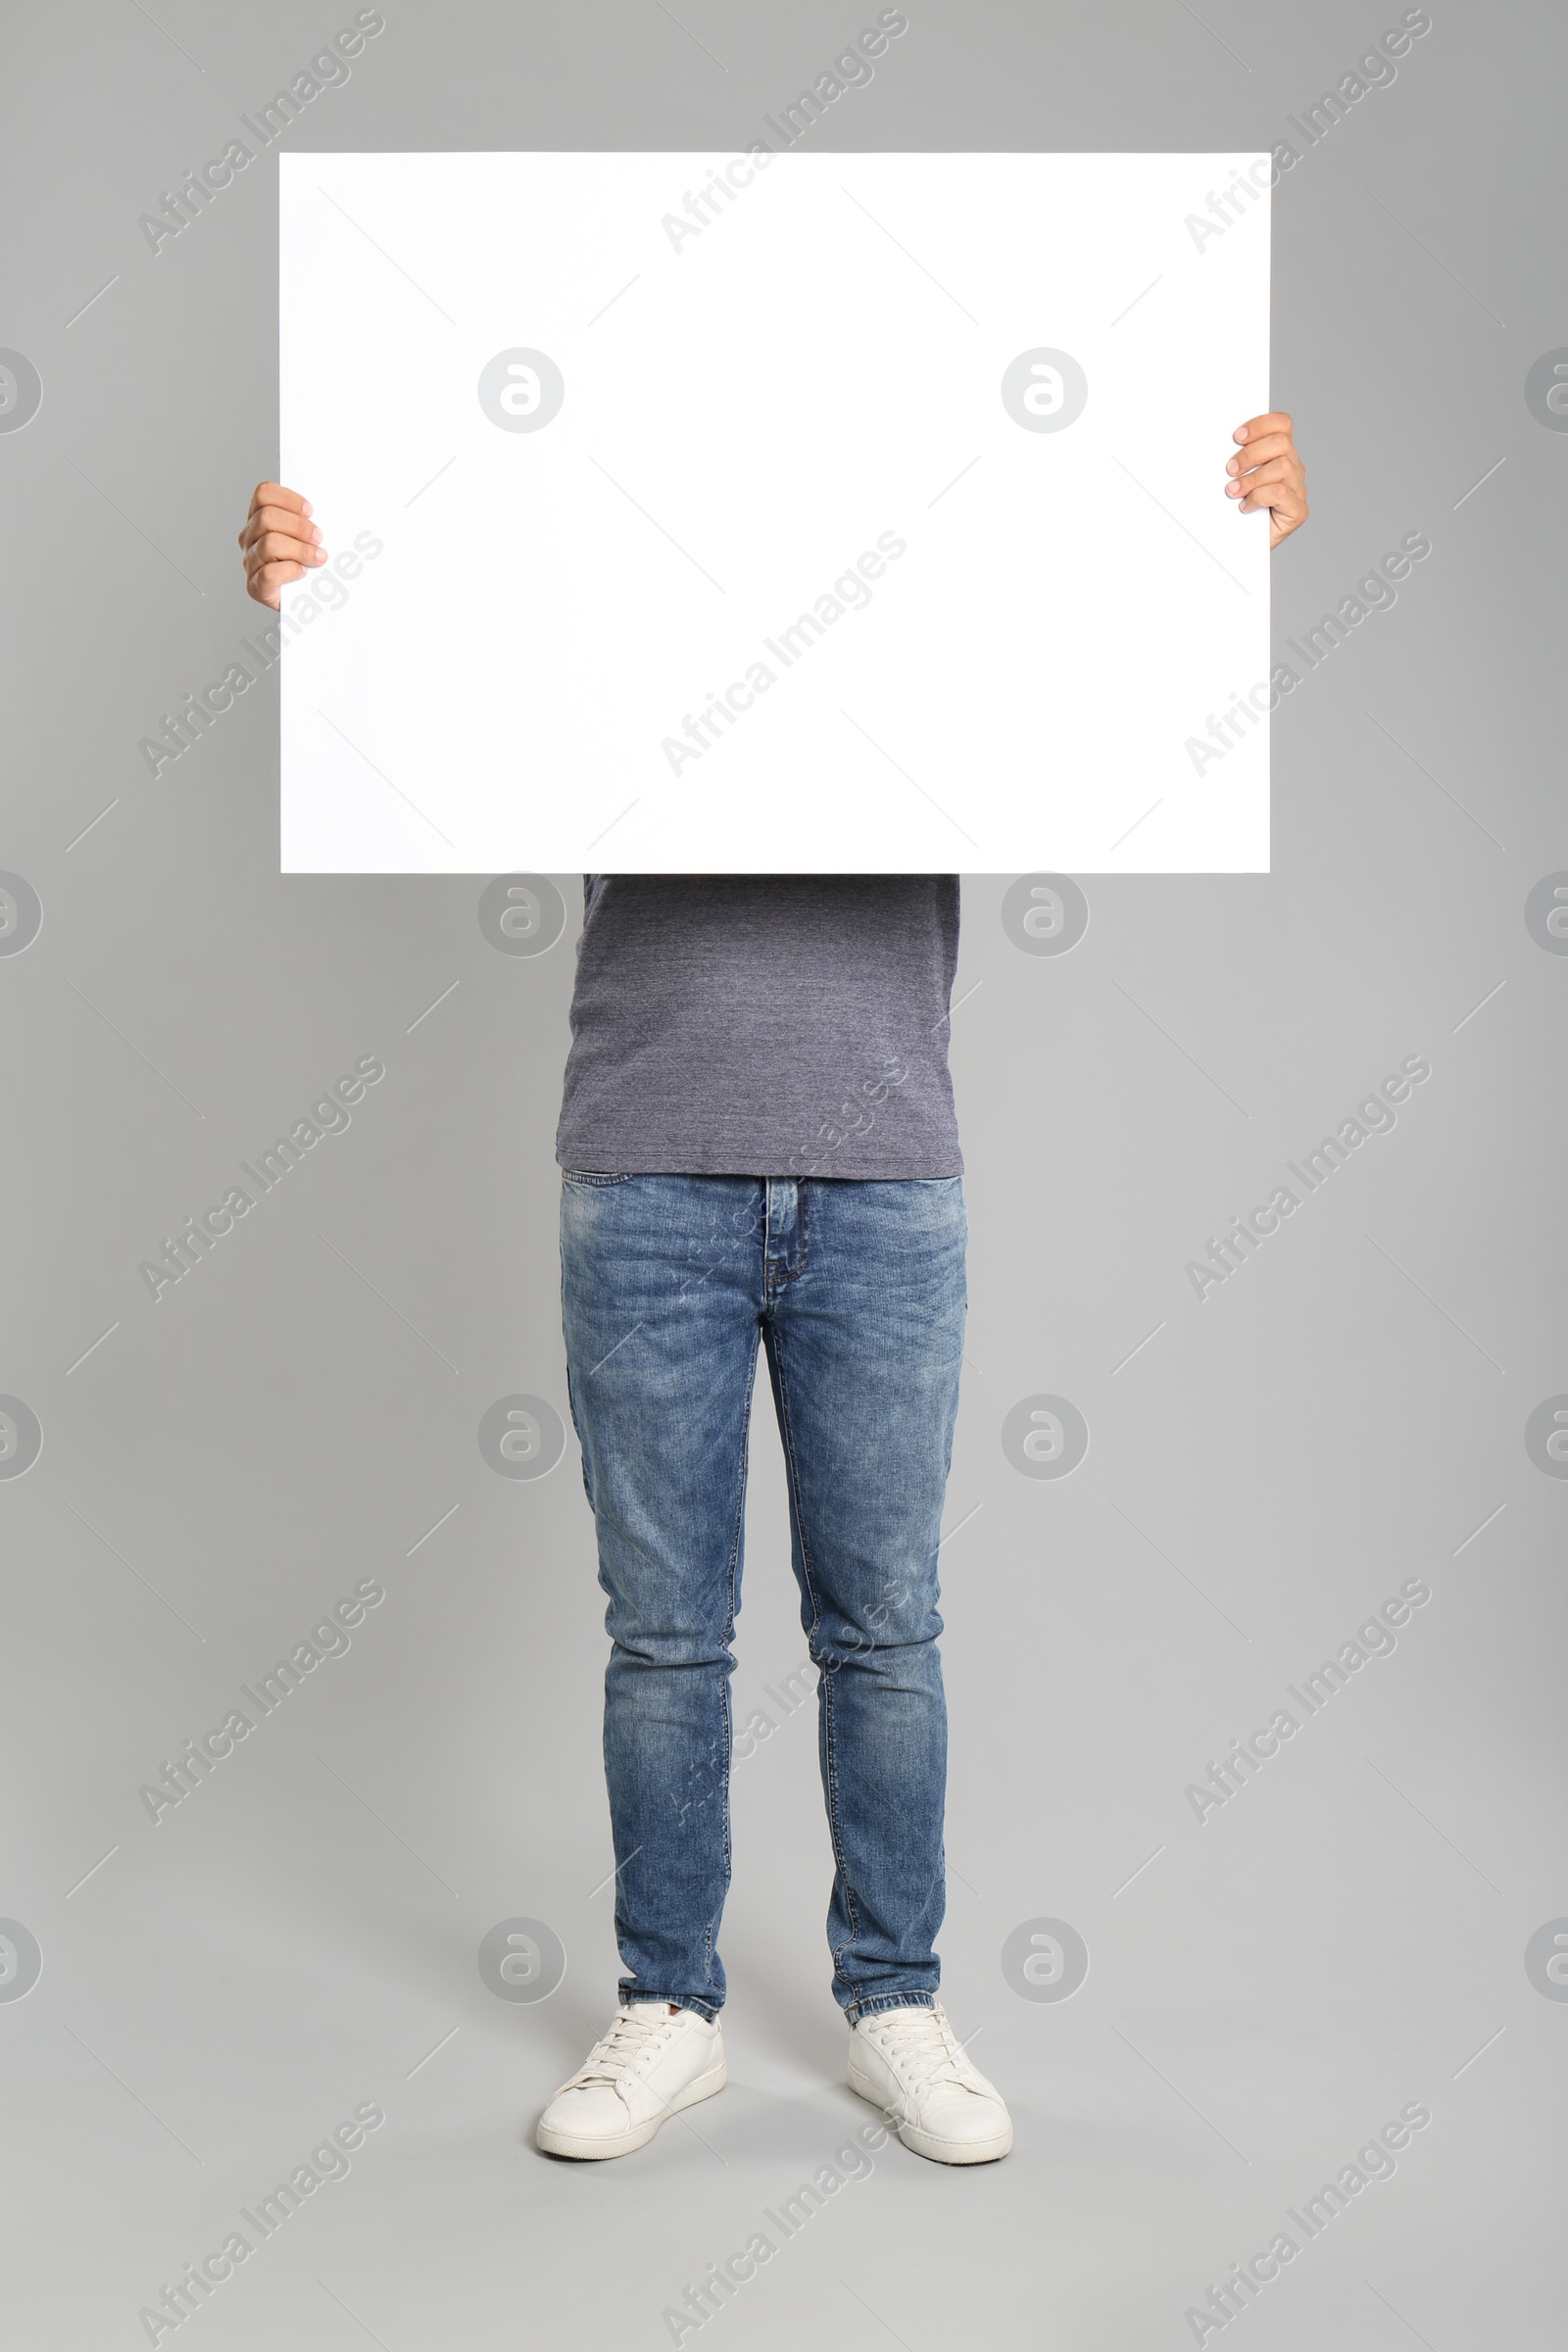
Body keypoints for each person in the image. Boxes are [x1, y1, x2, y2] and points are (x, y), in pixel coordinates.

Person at [239, 412, 1307, 2167]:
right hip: (646, 1165)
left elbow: (1103, 683)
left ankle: (895, 2001)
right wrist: (324, 600)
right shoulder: (604, 589)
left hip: (885, 1173)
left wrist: (1219, 557)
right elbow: (446, 697)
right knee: (663, 1633)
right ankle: (671, 2008)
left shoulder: (935, 604)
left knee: (882, 1622)